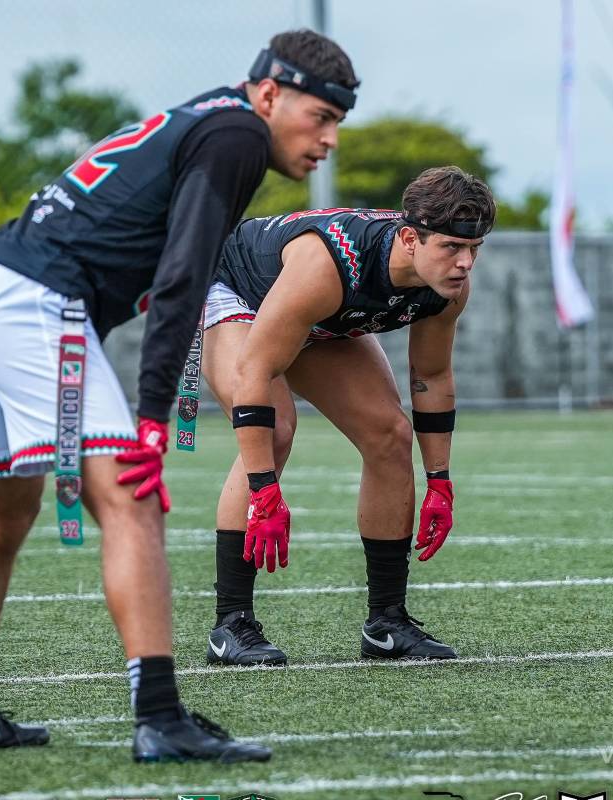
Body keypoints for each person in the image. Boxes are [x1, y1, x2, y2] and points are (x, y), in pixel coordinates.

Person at [0, 30, 359, 763]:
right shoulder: (237, 135)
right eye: (321, 116)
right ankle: (160, 717)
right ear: (271, 93)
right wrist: (153, 419)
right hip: (36, 301)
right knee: (134, 501)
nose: (330, 140)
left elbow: (160, 253)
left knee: (6, 516)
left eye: (338, 123)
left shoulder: (208, 117)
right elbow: (186, 277)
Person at [200, 166, 495, 667]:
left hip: (319, 314)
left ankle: (387, 623)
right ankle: (231, 624)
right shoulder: (329, 265)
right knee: (276, 428)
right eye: (450, 247)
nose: (464, 263)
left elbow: (432, 377)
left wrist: (439, 481)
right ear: (409, 238)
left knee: (389, 434)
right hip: (237, 289)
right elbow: (255, 370)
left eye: (474, 249)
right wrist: (265, 491)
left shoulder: (446, 286)